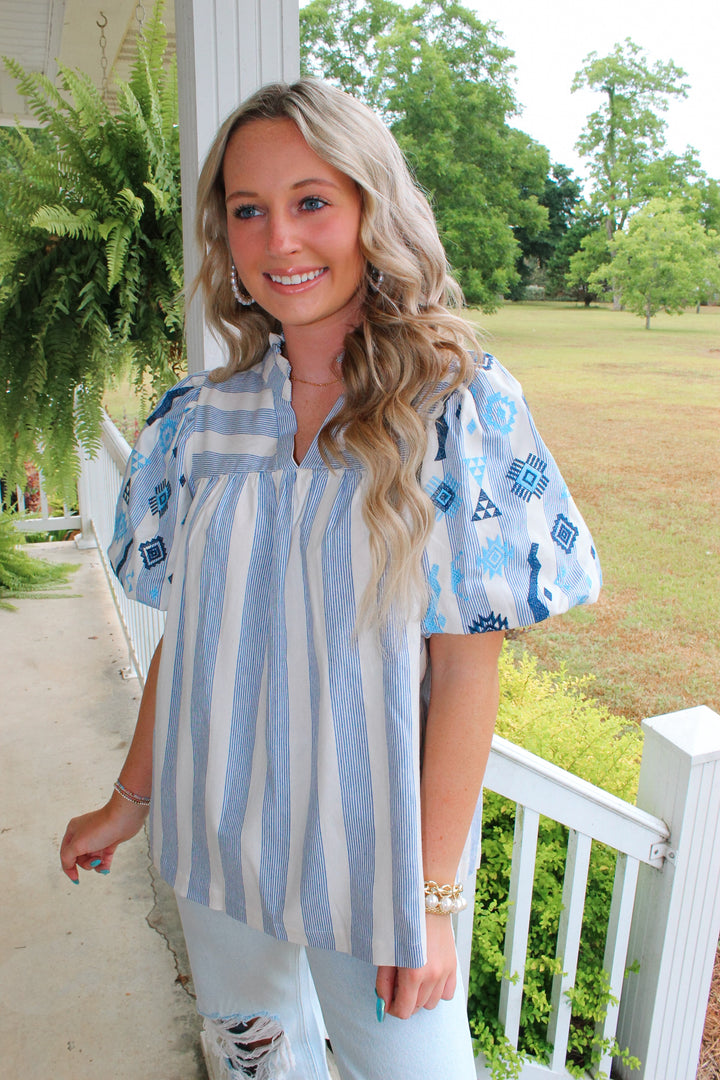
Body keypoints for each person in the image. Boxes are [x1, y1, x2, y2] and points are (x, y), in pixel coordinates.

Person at [60, 79, 601, 1080]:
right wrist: (130, 799)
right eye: (248, 210)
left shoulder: (453, 409)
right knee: (256, 1066)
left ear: (370, 209)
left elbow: (467, 672)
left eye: (312, 201)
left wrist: (434, 902)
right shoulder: (202, 417)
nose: (280, 242)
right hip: (218, 839)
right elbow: (196, 631)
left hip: (375, 866)